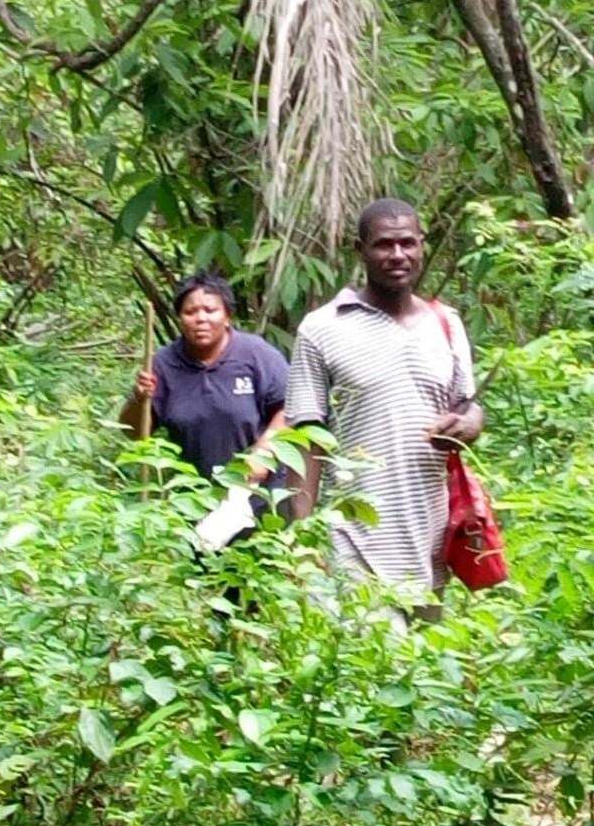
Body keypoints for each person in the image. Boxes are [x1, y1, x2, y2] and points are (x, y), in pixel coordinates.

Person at [286, 197, 484, 613]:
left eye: (408, 243)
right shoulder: (322, 328)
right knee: (376, 661)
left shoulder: (446, 323)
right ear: (360, 251)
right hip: (356, 536)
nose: (398, 255)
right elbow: (305, 438)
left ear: (422, 246)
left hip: (433, 536)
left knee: (424, 669)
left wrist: (469, 425)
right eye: (383, 245)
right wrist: (300, 538)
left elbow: (468, 406)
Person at [120, 271, 289, 503]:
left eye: (210, 310)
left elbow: (290, 409)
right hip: (192, 500)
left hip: (258, 495)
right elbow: (134, 432)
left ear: (227, 315)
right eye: (190, 312)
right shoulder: (163, 364)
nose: (200, 319)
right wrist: (139, 398)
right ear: (180, 318)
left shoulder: (257, 355)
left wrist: (264, 452)